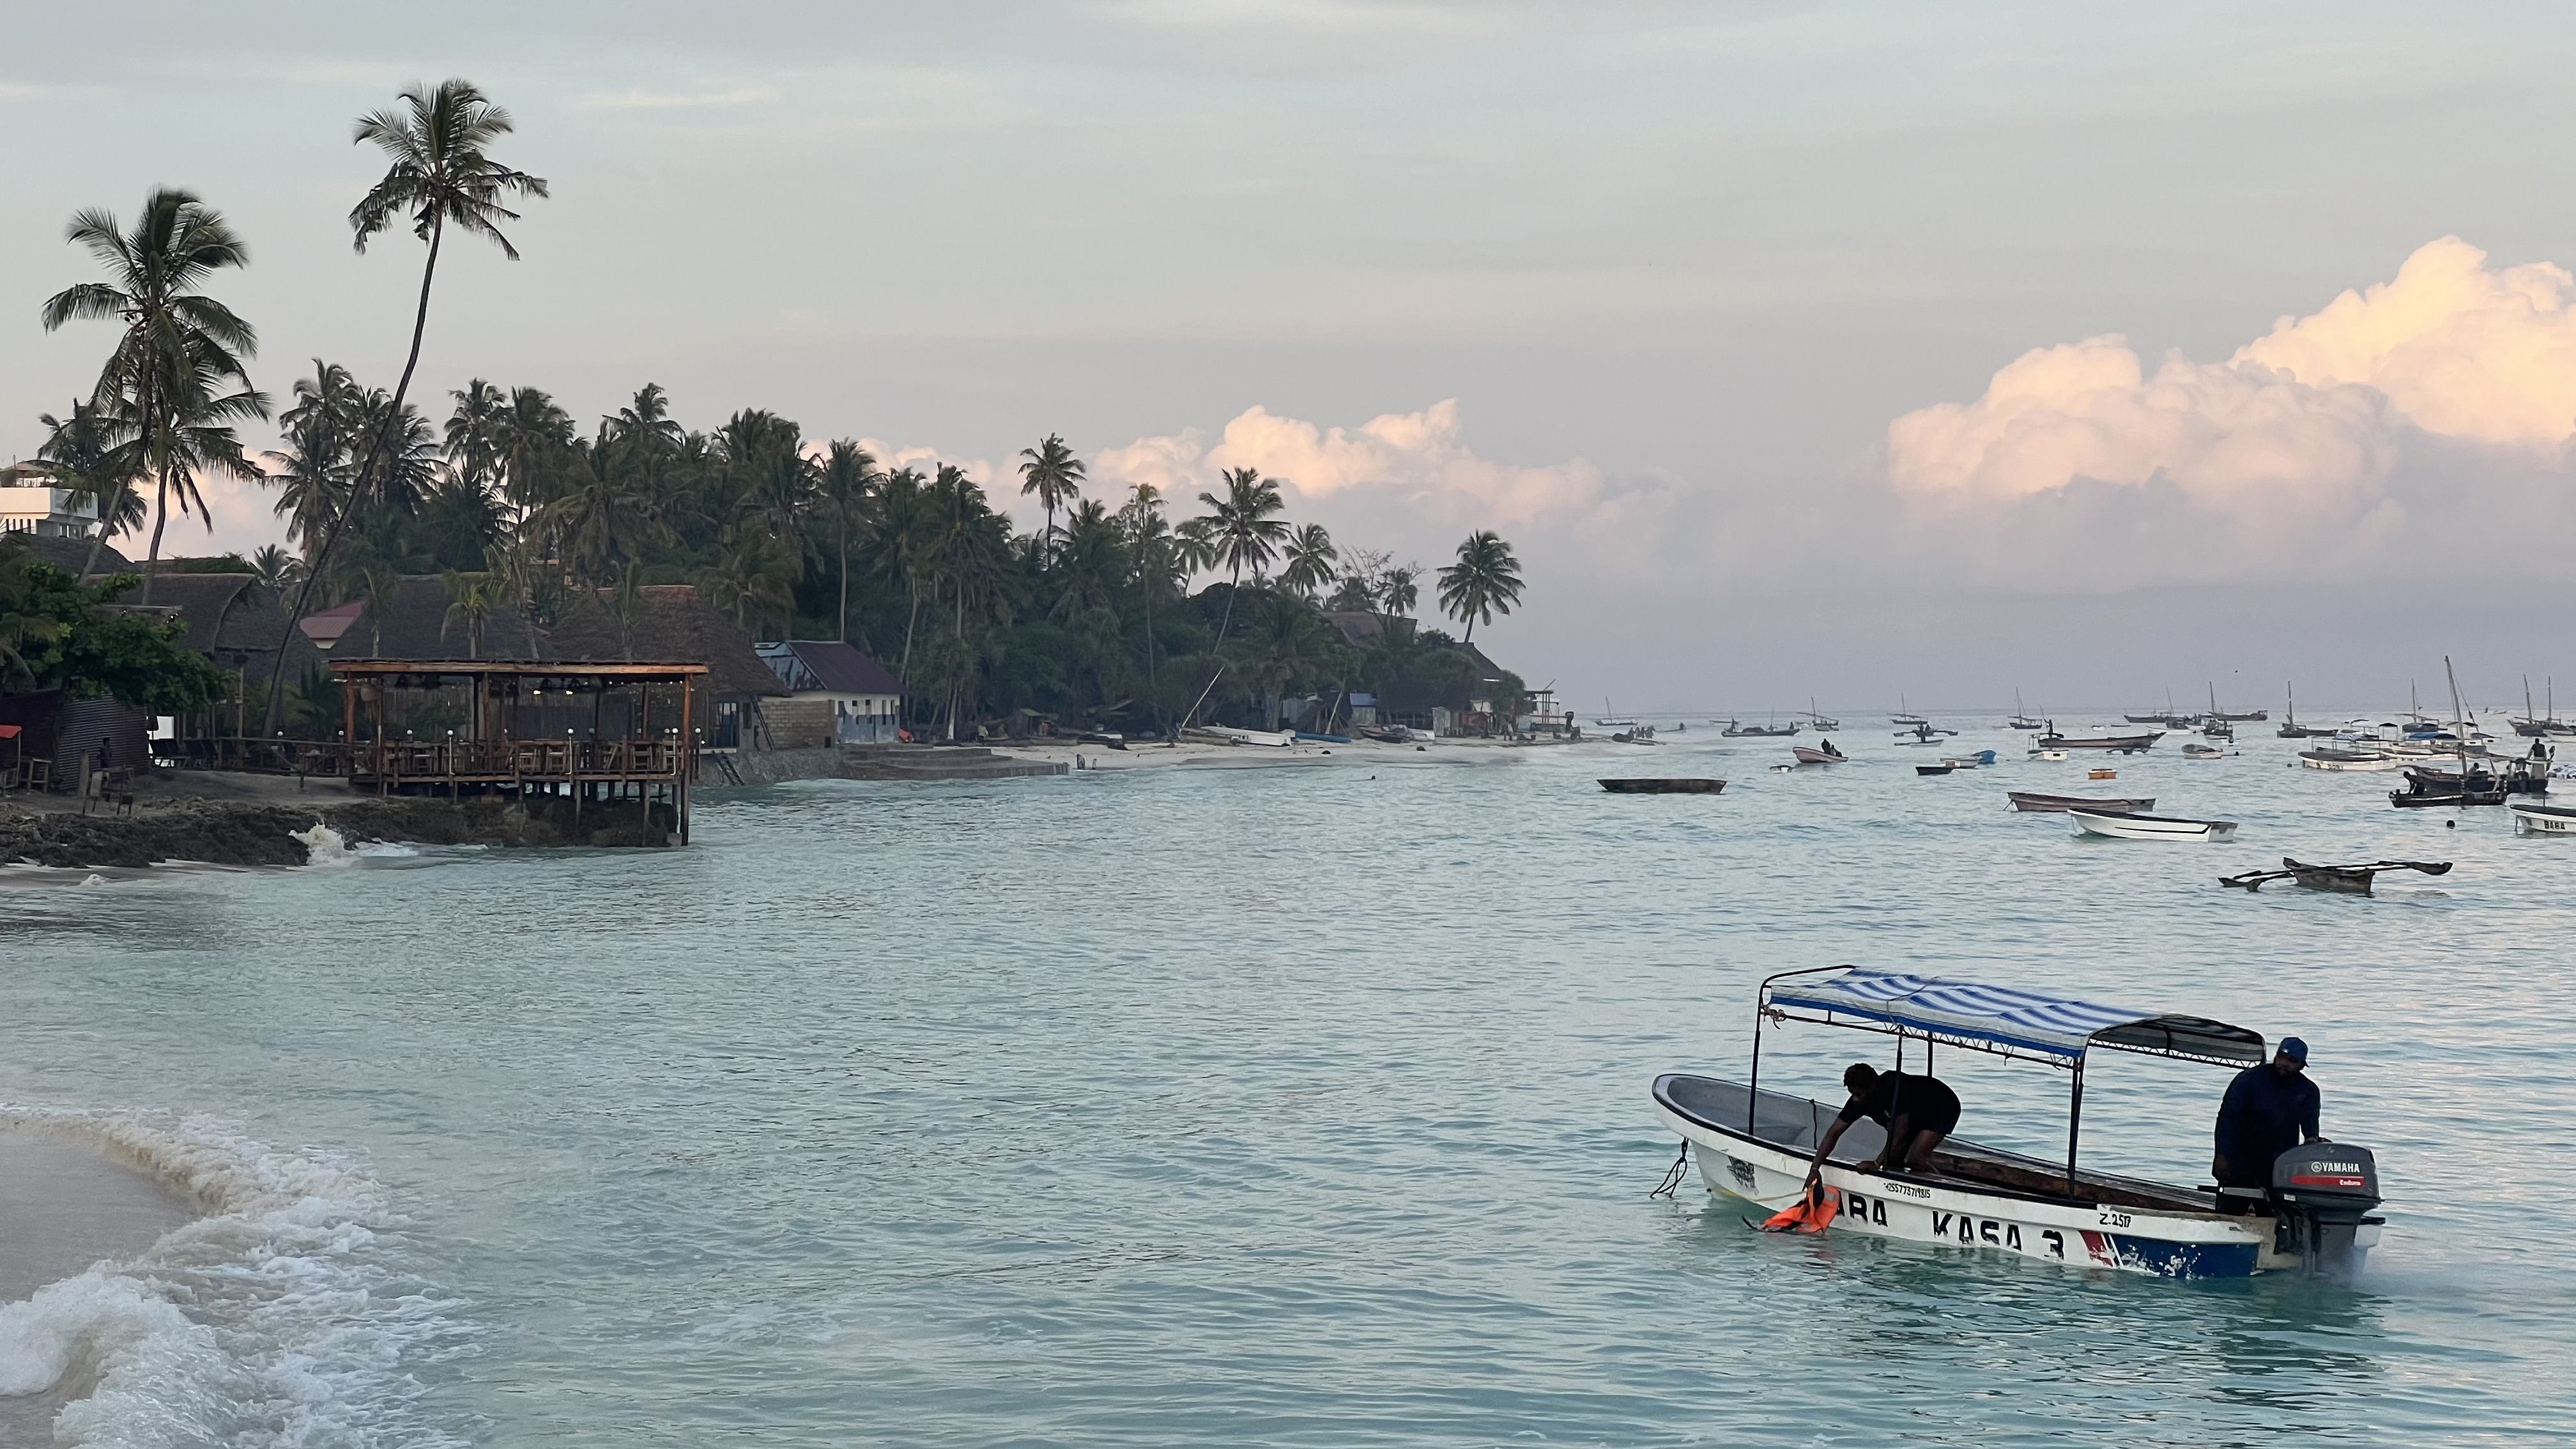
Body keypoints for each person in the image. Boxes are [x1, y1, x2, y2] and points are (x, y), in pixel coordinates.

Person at [2211, 1037, 2324, 1208]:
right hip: (2239, 1161)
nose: (2284, 1064)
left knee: (2274, 1217)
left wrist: (2313, 1144)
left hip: (2279, 1166)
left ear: (2302, 1065)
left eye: (2292, 1061)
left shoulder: (2308, 1091)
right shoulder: (2248, 1080)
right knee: (2229, 1212)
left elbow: (2310, 1130)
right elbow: (2226, 1119)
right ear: (2276, 1056)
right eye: (2281, 1057)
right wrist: (2221, 1155)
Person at [1805, 1062, 1961, 1182]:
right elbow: (1834, 1133)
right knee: (1892, 1161)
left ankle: (1943, 1185)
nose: (1855, 1099)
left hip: (1941, 1107)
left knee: (1914, 1160)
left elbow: (1900, 1132)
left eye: (1859, 1094)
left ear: (1871, 1088)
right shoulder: (1858, 1101)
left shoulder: (1893, 1088)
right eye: (1852, 1093)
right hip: (1914, 1116)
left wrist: (1876, 1163)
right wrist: (1815, 1168)